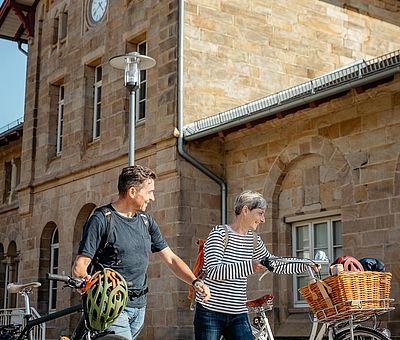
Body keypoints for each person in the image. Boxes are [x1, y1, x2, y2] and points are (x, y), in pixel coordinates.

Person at [72, 165, 210, 340]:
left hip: (139, 307)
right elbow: (80, 265)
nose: (152, 198)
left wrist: (194, 281)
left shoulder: (146, 222)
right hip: (110, 305)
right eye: (149, 192)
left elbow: (171, 259)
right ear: (132, 192)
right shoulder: (102, 219)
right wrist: (84, 280)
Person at [193, 190, 317, 340]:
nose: (263, 219)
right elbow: (213, 270)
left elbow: (274, 263)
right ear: (245, 210)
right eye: (260, 213)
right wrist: (249, 267)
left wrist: (305, 264)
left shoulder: (253, 240)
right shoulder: (219, 234)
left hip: (237, 313)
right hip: (210, 312)